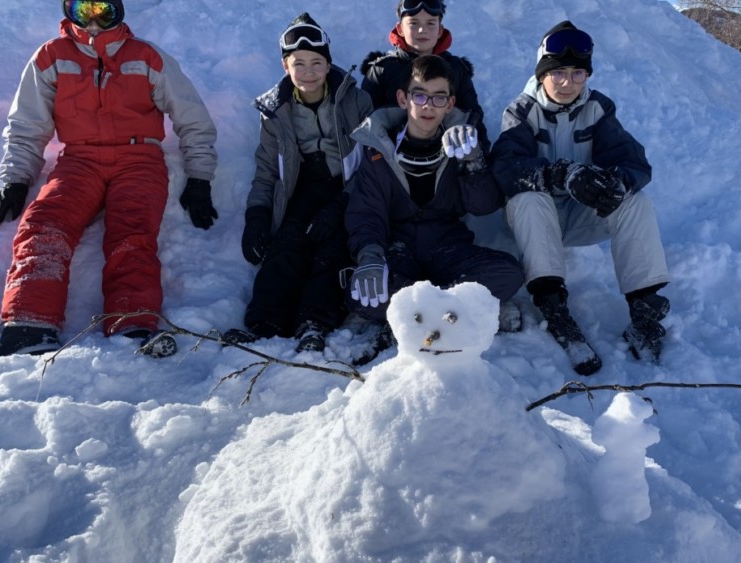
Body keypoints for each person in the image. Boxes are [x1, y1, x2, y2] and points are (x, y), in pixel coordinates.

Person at [0, 0, 218, 371]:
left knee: (132, 231)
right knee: (44, 223)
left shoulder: (146, 56)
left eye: (104, 10)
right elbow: (27, 125)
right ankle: (30, 328)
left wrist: (200, 178)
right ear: (69, 10)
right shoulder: (51, 56)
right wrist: (16, 181)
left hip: (139, 158)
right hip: (79, 160)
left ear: (119, 10)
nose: (94, 21)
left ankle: (132, 326)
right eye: (84, 9)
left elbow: (193, 119)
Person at [492, 20, 671, 374]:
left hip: (580, 217)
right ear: (542, 74)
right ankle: (553, 305)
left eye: (577, 74)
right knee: (526, 198)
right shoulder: (522, 111)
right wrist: (557, 174)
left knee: (634, 201)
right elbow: (506, 168)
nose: (567, 83)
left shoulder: (598, 108)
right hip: (535, 224)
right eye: (557, 72)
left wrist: (617, 182)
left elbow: (635, 162)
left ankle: (644, 309)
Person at [344, 55, 524, 366]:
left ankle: (410, 314)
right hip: (398, 249)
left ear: (450, 103)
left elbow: (483, 206)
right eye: (420, 95)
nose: (428, 105)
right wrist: (370, 255)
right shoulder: (378, 147)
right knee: (361, 292)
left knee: (509, 272)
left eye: (439, 97)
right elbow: (366, 213)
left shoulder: (463, 142)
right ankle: (463, 306)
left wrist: (474, 161)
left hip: (448, 247)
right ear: (403, 98)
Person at [224, 13, 373, 353]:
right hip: (303, 189)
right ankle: (265, 321)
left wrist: (343, 204)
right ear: (285, 64)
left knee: (332, 251)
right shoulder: (276, 110)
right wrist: (257, 215)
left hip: (346, 190)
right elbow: (266, 168)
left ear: (328, 64)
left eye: (316, 63)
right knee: (286, 248)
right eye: (299, 63)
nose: (308, 72)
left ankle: (314, 322)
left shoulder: (354, 100)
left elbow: (373, 161)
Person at [359, 0, 486, 140]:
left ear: (440, 30)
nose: (422, 30)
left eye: (430, 23)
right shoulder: (382, 70)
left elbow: (473, 119)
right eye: (414, 23)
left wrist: (477, 155)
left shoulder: (456, 69)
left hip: (447, 156)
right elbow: (364, 124)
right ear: (400, 29)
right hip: (387, 157)